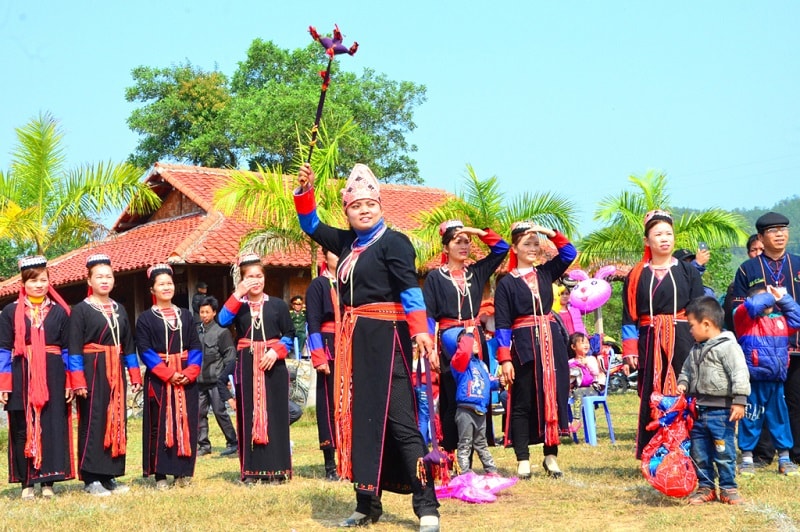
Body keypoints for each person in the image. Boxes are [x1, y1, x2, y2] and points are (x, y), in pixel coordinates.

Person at [295, 162, 440, 532]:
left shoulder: (395, 242)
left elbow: (409, 288)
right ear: (347, 211)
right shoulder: (345, 243)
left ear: (380, 206)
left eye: (369, 205)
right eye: (355, 206)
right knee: (360, 422)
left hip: (388, 338)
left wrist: (421, 330)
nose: (363, 210)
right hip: (353, 343)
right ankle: (366, 505)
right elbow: (310, 225)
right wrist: (305, 190)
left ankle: (427, 506)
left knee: (402, 421)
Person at [495, 221, 576, 479]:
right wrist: (505, 358)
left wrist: (548, 232)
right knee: (522, 400)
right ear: (514, 248)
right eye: (526, 244)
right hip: (524, 344)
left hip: (551, 342)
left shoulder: (544, 273)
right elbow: (503, 324)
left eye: (535, 244)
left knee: (554, 395)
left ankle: (551, 456)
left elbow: (569, 253)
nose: (532, 248)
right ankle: (523, 459)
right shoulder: (506, 283)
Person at [621, 209, 704, 458]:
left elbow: (700, 309)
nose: (665, 238)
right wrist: (629, 350)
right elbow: (629, 315)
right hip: (650, 338)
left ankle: (686, 449)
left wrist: (701, 343)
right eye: (658, 234)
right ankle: (654, 450)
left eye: (669, 233)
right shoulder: (637, 275)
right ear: (647, 240)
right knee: (651, 393)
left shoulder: (688, 271)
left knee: (685, 389)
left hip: (682, 339)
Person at [422, 219, 508, 453]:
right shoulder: (435, 278)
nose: (464, 245)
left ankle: (476, 451)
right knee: (454, 397)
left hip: (476, 338)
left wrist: (478, 232)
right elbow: (429, 315)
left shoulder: (477, 272)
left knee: (477, 392)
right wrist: (429, 348)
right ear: (445, 247)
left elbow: (502, 248)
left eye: (466, 242)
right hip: (450, 340)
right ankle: (451, 452)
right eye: (457, 241)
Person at [0, 256, 74, 500]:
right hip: (22, 372)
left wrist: (70, 380)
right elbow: (2, 350)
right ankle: (27, 483)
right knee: (22, 425)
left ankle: (49, 481)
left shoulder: (60, 312)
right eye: (33, 281)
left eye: (43, 280)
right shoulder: (10, 311)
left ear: (50, 282)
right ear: (23, 283)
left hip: (53, 374)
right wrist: (4, 383)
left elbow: (66, 350)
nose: (39, 285)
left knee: (52, 424)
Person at [218, 253, 294, 485]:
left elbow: (290, 335)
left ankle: (278, 470)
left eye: (259, 276)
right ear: (242, 280)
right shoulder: (238, 307)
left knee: (276, 415)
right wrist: (238, 293)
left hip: (274, 365)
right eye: (249, 277)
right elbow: (221, 320)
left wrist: (277, 350)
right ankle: (251, 471)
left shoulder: (278, 305)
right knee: (248, 414)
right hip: (247, 364)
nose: (255, 281)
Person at [69, 254, 142, 496]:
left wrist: (135, 376)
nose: (104, 280)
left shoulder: (119, 308)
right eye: (99, 276)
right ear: (88, 280)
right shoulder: (80, 310)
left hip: (115, 369)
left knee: (116, 418)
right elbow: (75, 347)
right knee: (94, 419)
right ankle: (91, 478)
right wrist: (77, 379)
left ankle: (109, 475)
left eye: (108, 276)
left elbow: (129, 345)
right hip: (92, 369)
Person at [732, 212, 800, 466]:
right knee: (758, 405)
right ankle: (760, 455)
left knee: (794, 401)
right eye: (773, 230)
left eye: (783, 229)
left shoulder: (798, 263)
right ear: (761, 237)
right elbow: (738, 308)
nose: (780, 234)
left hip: (795, 345)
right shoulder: (747, 268)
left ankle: (795, 453)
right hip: (759, 351)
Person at [677, 296, 750, 505]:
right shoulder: (695, 349)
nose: (690, 331)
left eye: (692, 326)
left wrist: (739, 400)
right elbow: (687, 371)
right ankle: (706, 487)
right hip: (698, 411)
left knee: (723, 451)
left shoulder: (728, 347)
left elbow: (739, 373)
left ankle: (728, 488)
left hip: (722, 413)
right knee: (699, 452)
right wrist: (683, 382)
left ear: (706, 324)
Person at [136, 263, 202, 490]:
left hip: (185, 377)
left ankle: (182, 473)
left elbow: (195, 346)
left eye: (169, 283)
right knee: (159, 424)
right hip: (160, 380)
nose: (166, 287)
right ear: (152, 290)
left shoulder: (185, 315)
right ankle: (161, 474)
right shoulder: (145, 319)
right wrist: (168, 374)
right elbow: (144, 350)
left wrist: (190, 372)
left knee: (186, 420)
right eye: (161, 284)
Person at [735, 285, 800, 476]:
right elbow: (754, 305)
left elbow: (797, 317)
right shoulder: (744, 318)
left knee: (780, 419)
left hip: (776, 382)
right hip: (753, 382)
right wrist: (770, 295)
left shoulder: (780, 321)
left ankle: (785, 458)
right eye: (766, 298)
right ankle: (747, 458)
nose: (770, 302)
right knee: (751, 418)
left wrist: (784, 298)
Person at [440, 326, 499, 475]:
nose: (474, 342)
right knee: (465, 444)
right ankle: (464, 474)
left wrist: (500, 382)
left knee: (481, 444)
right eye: (468, 340)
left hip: (481, 410)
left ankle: (491, 471)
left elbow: (489, 382)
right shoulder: (458, 363)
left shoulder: (481, 364)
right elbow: (464, 352)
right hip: (465, 410)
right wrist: (468, 334)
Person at [306, 247, 341, 480]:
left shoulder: (353, 281)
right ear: (326, 256)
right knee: (328, 403)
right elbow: (313, 322)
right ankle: (330, 463)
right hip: (328, 344)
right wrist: (318, 356)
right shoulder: (318, 285)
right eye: (334, 253)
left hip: (350, 343)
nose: (338, 257)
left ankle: (353, 459)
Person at [196, 296, 238, 458]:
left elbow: (229, 356)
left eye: (207, 312)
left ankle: (233, 442)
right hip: (199, 381)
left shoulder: (222, 332)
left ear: (214, 312)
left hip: (216, 380)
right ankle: (204, 445)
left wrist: (226, 378)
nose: (204, 315)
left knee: (220, 412)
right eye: (202, 312)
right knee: (199, 413)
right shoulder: (196, 332)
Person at [567, 332, 603, 430]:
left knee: (579, 392)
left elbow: (596, 372)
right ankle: (564, 423)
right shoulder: (570, 362)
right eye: (582, 343)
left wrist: (587, 364)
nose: (586, 345)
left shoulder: (590, 359)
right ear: (573, 347)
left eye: (587, 342)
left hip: (592, 389)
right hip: (576, 390)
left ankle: (576, 420)